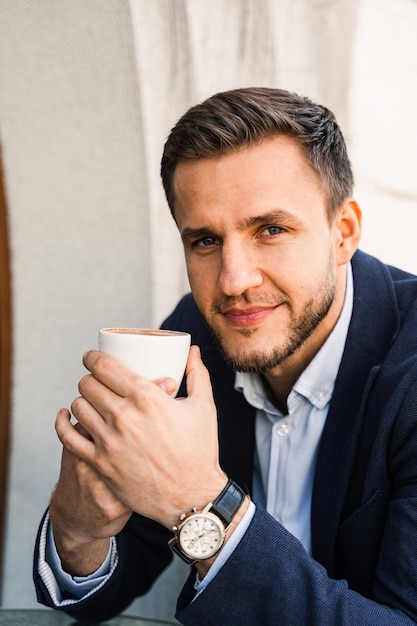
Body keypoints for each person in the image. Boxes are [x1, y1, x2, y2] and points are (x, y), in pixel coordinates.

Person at [33, 87, 417, 625]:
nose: (234, 282)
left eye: (271, 230)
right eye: (205, 241)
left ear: (342, 233)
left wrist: (200, 502)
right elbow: (102, 594)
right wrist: (80, 526)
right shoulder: (193, 333)